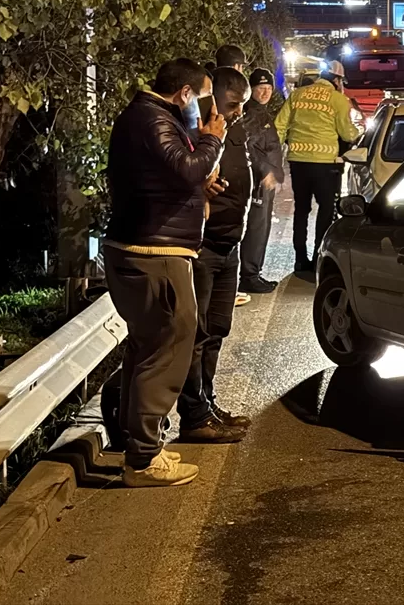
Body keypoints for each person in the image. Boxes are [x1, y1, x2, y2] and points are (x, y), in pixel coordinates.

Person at [104, 58, 226, 487]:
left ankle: (140, 446)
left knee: (148, 346)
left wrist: (197, 183)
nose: (209, 109)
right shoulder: (154, 121)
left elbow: (170, 175)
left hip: (147, 247)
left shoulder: (147, 119)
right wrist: (212, 142)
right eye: (206, 97)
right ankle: (143, 460)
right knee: (170, 343)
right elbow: (187, 167)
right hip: (154, 252)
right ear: (187, 94)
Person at [175, 68, 255, 443]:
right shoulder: (195, 133)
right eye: (234, 104)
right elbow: (181, 180)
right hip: (204, 247)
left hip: (230, 246)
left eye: (243, 104)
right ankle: (193, 416)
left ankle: (208, 403)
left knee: (217, 330)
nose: (239, 111)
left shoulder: (232, 130)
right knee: (198, 334)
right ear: (215, 98)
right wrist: (201, 191)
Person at [275, 59, 359, 274]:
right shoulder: (338, 99)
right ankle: (318, 258)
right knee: (326, 209)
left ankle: (300, 259)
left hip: (298, 162)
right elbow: (347, 133)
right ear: (337, 80)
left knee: (301, 210)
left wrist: (277, 159)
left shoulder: (297, 94)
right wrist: (358, 133)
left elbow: (279, 127)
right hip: (325, 165)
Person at [239, 68, 284, 294]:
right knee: (256, 228)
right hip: (258, 182)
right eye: (260, 88)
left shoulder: (262, 112)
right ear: (252, 89)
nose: (265, 93)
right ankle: (250, 275)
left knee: (262, 227)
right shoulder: (252, 113)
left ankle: (253, 273)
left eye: (268, 88)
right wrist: (266, 171)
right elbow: (249, 148)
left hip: (265, 181)